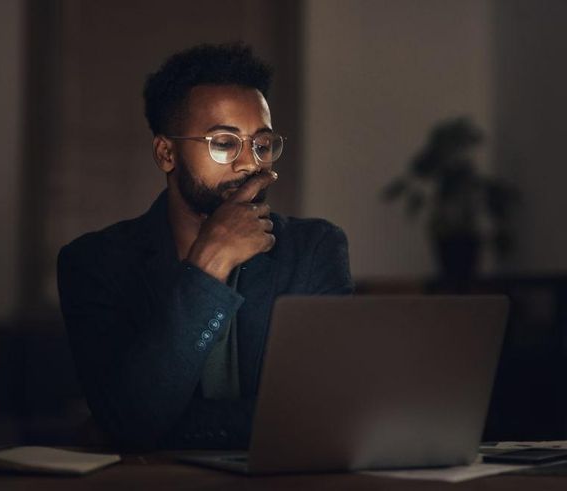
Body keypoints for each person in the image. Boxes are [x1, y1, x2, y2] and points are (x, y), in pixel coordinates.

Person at [57, 43, 353, 450]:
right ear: (166, 153)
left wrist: (169, 431)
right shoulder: (94, 263)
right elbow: (130, 418)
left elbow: (323, 412)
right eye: (224, 143)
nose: (250, 163)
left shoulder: (314, 250)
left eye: (261, 144)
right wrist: (208, 267)